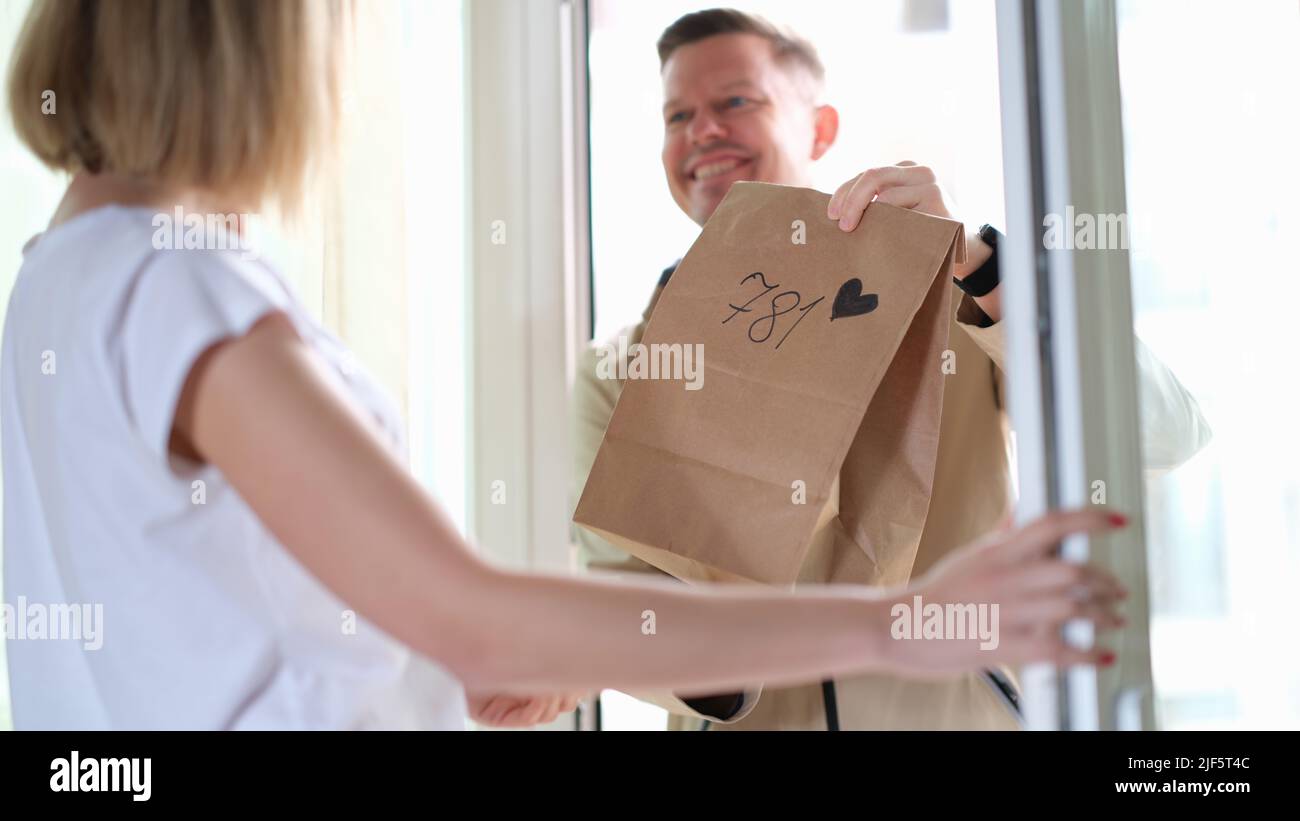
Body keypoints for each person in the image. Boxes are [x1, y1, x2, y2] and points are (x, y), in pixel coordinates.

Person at [0, 0, 1127, 731]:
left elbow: (1142, 412)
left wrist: (974, 259)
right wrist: (904, 619)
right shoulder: (180, 284)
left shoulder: (54, 280)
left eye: (735, 100)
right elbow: (480, 617)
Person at [572, 8, 1210, 730]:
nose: (702, 131)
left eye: (735, 102)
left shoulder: (954, 294)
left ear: (819, 129)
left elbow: (1158, 434)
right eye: (676, 115)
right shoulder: (619, 370)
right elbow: (614, 609)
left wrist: (982, 265)